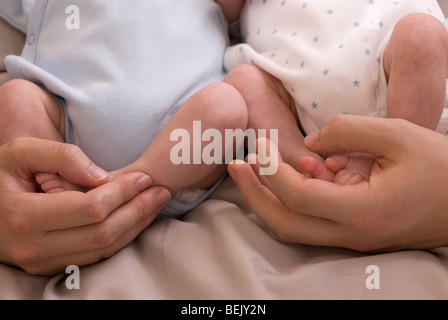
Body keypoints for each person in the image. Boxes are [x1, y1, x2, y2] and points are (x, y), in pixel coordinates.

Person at [0, 0, 247, 219]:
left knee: (226, 105)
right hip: (66, 120)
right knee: (15, 97)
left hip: (178, 131)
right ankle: (71, 195)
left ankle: (120, 184)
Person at [221, 0, 448, 185]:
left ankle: (395, 155)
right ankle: (308, 166)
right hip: (301, 104)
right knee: (243, 82)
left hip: (400, 69)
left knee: (422, 35)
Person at [228, 114, 448, 252]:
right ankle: (304, 166)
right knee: (244, 78)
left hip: (380, 71)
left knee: (419, 41)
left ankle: (384, 158)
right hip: (296, 84)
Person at [0, 137, 171, 275]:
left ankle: (119, 179)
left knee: (198, 114)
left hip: (176, 108)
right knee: (14, 99)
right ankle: (49, 173)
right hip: (68, 112)